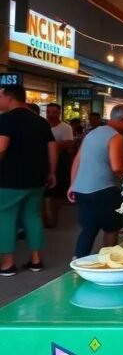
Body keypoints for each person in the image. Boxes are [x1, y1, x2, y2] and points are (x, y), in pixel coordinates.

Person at [0, 85, 57, 276]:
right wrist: (52, 172)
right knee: (33, 217)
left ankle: (7, 264)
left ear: (9, 98)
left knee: (6, 217)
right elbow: (52, 148)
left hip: (9, 179)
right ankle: (36, 260)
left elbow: (1, 147)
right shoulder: (40, 122)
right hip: (36, 178)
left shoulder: (6, 119)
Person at [69, 104, 123, 258]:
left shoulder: (92, 134)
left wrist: (73, 184)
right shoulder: (115, 136)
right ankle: (108, 260)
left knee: (88, 228)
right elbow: (117, 167)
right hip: (105, 190)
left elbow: (77, 160)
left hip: (82, 190)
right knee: (111, 228)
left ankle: (78, 261)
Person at [44, 103, 74, 228]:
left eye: (54, 112)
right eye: (48, 112)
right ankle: (44, 218)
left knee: (57, 193)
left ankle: (53, 218)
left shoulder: (65, 127)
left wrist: (51, 145)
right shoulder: (42, 124)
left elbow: (69, 143)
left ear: (59, 113)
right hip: (43, 160)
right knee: (43, 192)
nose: (51, 115)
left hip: (61, 162)